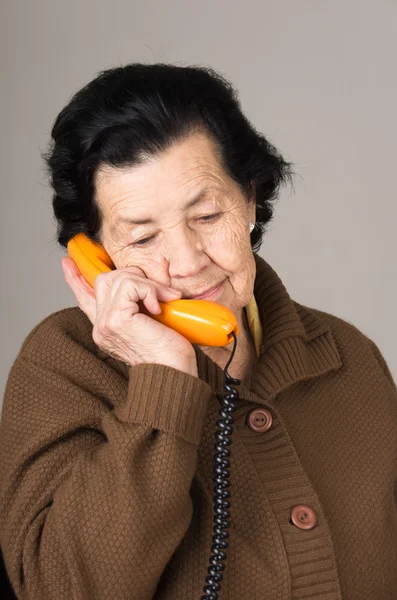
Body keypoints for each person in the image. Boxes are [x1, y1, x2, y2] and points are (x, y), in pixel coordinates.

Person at [0, 62, 396, 600]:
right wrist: (162, 380)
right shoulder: (62, 364)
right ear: (97, 254)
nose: (186, 264)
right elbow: (60, 588)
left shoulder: (349, 355)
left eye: (207, 217)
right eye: (142, 239)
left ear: (250, 199)